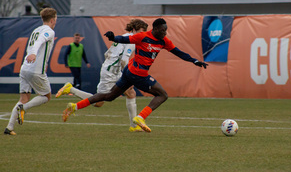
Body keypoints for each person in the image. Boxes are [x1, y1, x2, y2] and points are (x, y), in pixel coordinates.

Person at [62, 18, 208, 133]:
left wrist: (194, 61)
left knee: (109, 96)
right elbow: (125, 39)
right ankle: (140, 118)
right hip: (138, 74)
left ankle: (75, 106)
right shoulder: (143, 36)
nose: (165, 33)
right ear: (155, 29)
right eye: (163, 30)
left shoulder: (164, 41)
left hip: (128, 73)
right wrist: (113, 37)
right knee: (163, 95)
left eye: (166, 30)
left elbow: (178, 52)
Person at [56, 19, 148, 132]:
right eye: (141, 32)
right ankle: (71, 89)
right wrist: (126, 76)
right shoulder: (131, 41)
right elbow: (124, 60)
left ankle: (134, 126)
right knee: (98, 103)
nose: (142, 35)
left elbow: (107, 53)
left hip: (113, 70)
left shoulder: (123, 37)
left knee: (130, 93)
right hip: (110, 72)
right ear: (134, 30)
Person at [4, 7, 57, 135]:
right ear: (52, 19)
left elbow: (38, 45)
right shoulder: (49, 31)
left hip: (25, 68)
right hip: (35, 69)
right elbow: (38, 43)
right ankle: (24, 108)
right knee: (46, 96)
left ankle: (9, 128)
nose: (56, 21)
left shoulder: (36, 30)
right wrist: (33, 54)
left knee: (24, 98)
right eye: (55, 19)